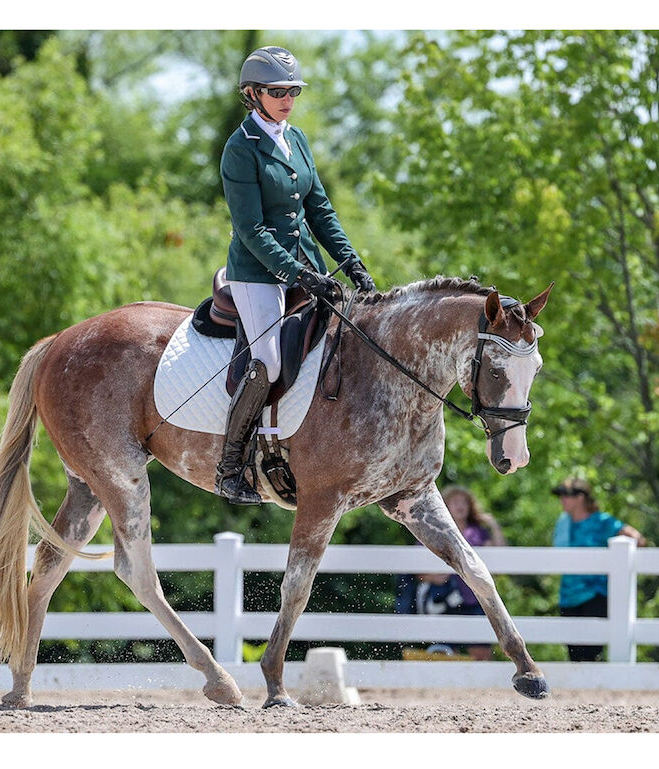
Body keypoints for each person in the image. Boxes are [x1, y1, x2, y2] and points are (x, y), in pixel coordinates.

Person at [214, 45, 377, 505]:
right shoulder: (238, 150)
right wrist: (298, 274)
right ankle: (230, 466)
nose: (287, 98)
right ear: (252, 94)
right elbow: (251, 230)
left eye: (293, 91)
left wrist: (352, 262)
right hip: (257, 274)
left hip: (306, 266)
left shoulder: (298, 138)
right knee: (267, 360)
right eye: (277, 91)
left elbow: (319, 209)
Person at [395, 486, 505, 660]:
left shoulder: (477, 532)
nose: (460, 506)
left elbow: (501, 555)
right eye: (455, 501)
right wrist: (431, 576)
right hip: (445, 599)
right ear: (445, 505)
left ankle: (480, 685)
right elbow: (415, 566)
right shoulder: (433, 529)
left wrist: (493, 524)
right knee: (445, 650)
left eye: (464, 502)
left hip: (475, 598)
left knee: (480, 650)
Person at [551, 477, 647, 661]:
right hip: (568, 595)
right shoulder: (563, 524)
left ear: (580, 497)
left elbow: (636, 538)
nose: (562, 499)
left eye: (566, 495)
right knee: (574, 652)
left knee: (592, 650)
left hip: (595, 594)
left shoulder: (602, 522)